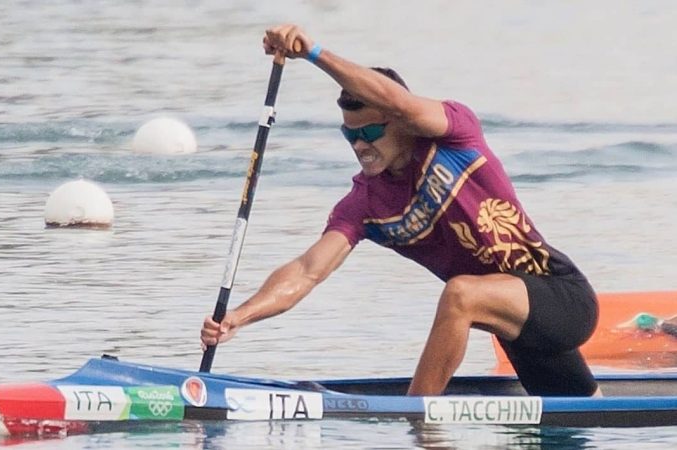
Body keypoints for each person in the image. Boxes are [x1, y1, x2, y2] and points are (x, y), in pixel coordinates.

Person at [201, 24, 601, 397]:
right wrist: (240, 316)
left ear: (401, 123)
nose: (359, 145)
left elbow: (399, 102)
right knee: (582, 412)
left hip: (562, 296)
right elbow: (307, 271)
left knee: (460, 294)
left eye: (370, 132)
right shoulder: (364, 203)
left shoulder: (454, 135)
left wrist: (314, 54)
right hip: (512, 321)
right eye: (350, 135)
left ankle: (418, 420)